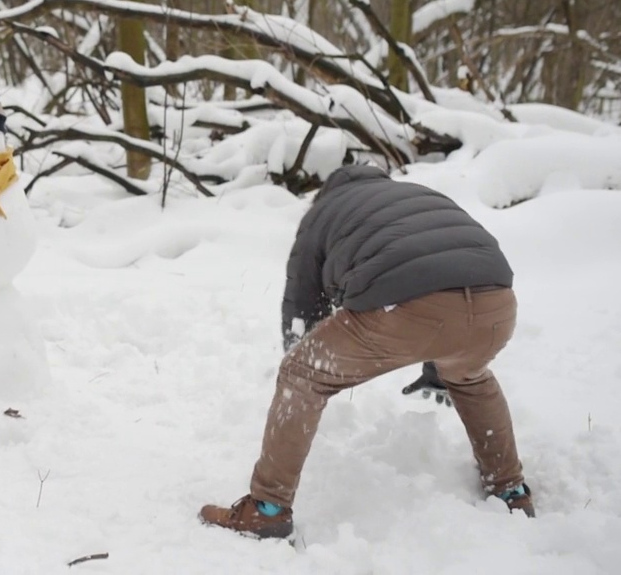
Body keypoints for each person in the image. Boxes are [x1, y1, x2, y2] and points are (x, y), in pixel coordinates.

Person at [198, 165, 534, 540]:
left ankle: (267, 509)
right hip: (497, 305)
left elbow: (302, 306)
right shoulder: (413, 195)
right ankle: (510, 491)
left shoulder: (322, 215)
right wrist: (440, 364)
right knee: (470, 377)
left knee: (301, 373)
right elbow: (443, 265)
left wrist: (305, 358)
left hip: (407, 308)